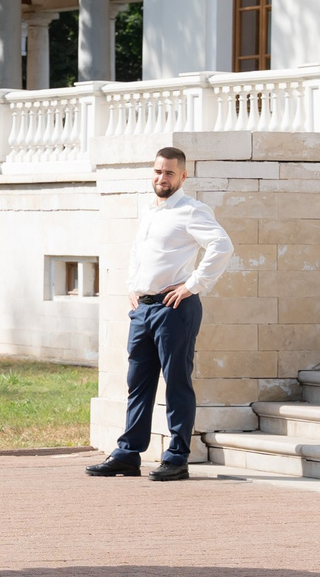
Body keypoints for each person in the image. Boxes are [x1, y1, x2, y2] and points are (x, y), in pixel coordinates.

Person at [90, 146, 234, 482]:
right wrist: (132, 286)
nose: (162, 178)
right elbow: (139, 252)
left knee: (177, 384)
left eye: (169, 172)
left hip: (175, 309)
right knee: (137, 384)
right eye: (158, 171)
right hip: (144, 309)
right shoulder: (149, 211)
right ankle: (128, 454)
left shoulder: (191, 211)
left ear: (183, 176)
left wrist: (193, 285)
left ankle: (177, 458)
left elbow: (222, 246)